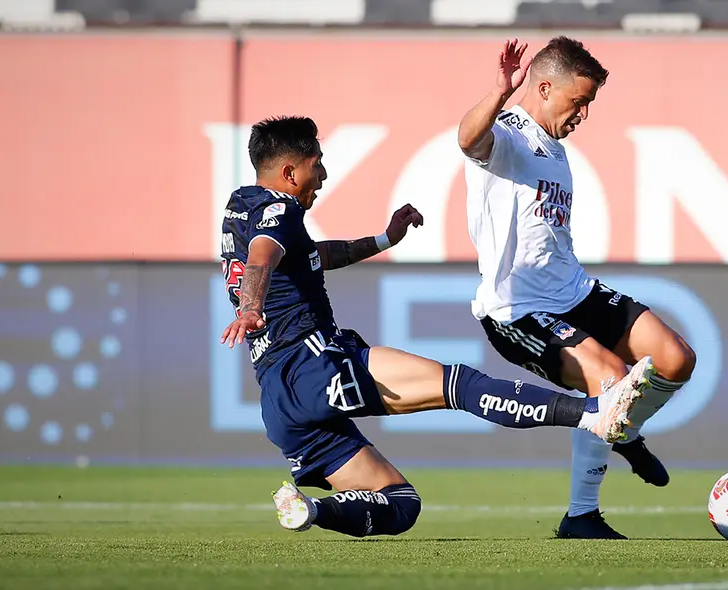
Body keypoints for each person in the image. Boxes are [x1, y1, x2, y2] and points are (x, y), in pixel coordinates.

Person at [218, 115, 659, 538]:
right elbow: (263, 256)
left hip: (279, 399)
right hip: (314, 363)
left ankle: (308, 509)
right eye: (317, 164)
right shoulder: (281, 209)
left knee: (400, 501)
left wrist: (384, 239)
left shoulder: (242, 205)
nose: (325, 174)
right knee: (459, 385)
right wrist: (251, 307)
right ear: (291, 172)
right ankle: (593, 414)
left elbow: (312, 256)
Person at [458, 37, 698, 539]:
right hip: (516, 310)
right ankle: (581, 515)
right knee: (610, 379)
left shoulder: (556, 151)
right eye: (578, 102)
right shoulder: (508, 135)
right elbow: (467, 138)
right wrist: (500, 91)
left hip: (576, 292)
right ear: (544, 88)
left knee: (676, 359)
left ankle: (622, 429)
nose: (583, 115)